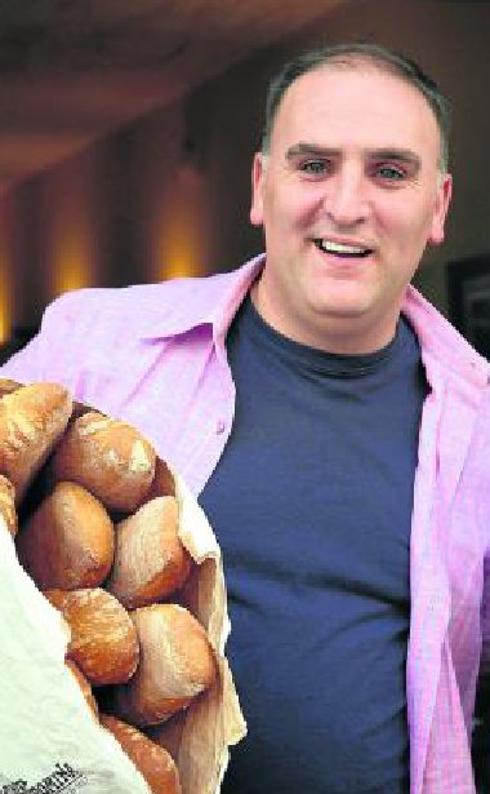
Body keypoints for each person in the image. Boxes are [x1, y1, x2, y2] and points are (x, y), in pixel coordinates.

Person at [2, 42, 490, 793]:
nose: (347, 205)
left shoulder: (480, 426)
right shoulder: (95, 346)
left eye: (390, 171)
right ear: (262, 186)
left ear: (439, 206)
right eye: (314, 165)